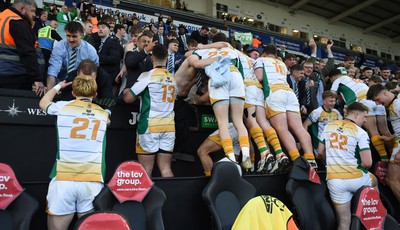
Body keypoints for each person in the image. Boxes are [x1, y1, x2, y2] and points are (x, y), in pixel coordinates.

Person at [40, 75, 109, 230]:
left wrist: (58, 86)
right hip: (92, 181)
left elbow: (43, 103)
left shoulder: (63, 107)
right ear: (95, 94)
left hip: (64, 180)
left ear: (73, 93)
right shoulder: (104, 114)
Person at [254, 44, 317, 168]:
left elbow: (259, 77)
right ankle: (310, 158)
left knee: (283, 129)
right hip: (290, 94)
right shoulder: (281, 63)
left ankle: (297, 160)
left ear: (264, 53)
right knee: (298, 127)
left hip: (275, 93)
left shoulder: (261, 60)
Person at [318, 102, 378, 230]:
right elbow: (367, 163)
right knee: (375, 181)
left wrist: (329, 163)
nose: (366, 120)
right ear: (356, 115)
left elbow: (320, 151)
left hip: (334, 181)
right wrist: (361, 169)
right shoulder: (360, 132)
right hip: (356, 178)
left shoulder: (329, 126)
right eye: (364, 117)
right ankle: (375, 214)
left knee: (344, 221)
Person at [124, 44, 177, 177]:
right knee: (166, 169)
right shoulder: (172, 78)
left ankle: (146, 198)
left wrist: (126, 91)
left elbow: (128, 99)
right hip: (169, 126)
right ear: (166, 58)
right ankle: (172, 197)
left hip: (150, 126)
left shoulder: (147, 76)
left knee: (146, 170)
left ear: (152, 58)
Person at [329, 67, 392, 163]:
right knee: (385, 132)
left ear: (333, 77)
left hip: (363, 102)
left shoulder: (337, 80)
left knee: (373, 132)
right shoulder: (356, 80)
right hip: (376, 101)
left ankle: (385, 160)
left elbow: (331, 95)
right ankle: (394, 155)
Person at [0, 0, 44, 95]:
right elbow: (27, 52)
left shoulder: (3, 17)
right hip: (15, 77)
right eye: (32, 11)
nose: (34, 15)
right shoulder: (18, 23)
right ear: (22, 9)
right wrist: (37, 78)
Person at [367, 84, 400, 203]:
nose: (377, 104)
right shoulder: (394, 104)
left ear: (384, 93)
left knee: (392, 180)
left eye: (377, 100)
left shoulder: (398, 104)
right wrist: (392, 138)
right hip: (397, 141)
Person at [47, 21, 99, 89]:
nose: (71, 39)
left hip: (81, 86)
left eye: (74, 36)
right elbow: (53, 71)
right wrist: (50, 92)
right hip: (60, 83)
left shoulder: (90, 51)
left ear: (81, 34)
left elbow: (94, 73)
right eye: (68, 36)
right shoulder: (60, 46)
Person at [303, 91, 342, 157]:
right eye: (331, 101)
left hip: (333, 144)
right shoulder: (317, 112)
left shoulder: (336, 112)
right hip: (319, 144)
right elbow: (305, 124)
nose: (333, 103)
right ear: (324, 101)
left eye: (334, 101)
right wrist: (304, 142)